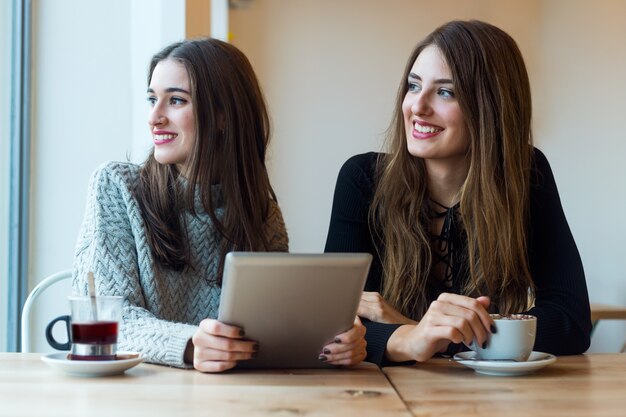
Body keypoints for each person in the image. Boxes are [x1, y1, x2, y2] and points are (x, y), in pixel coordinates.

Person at [73, 38, 366, 372]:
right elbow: (108, 320)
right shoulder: (116, 187)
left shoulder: (260, 212)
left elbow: (275, 330)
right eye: (152, 99)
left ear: (223, 117)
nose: (154, 117)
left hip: (233, 397)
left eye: (176, 100)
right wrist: (188, 345)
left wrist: (333, 343)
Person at [325, 20, 591, 366]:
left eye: (445, 92)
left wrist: (420, 333)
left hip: (488, 398)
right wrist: (417, 337)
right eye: (414, 86)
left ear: (489, 108)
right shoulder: (362, 179)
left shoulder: (525, 175)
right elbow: (335, 328)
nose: (417, 107)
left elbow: (570, 322)